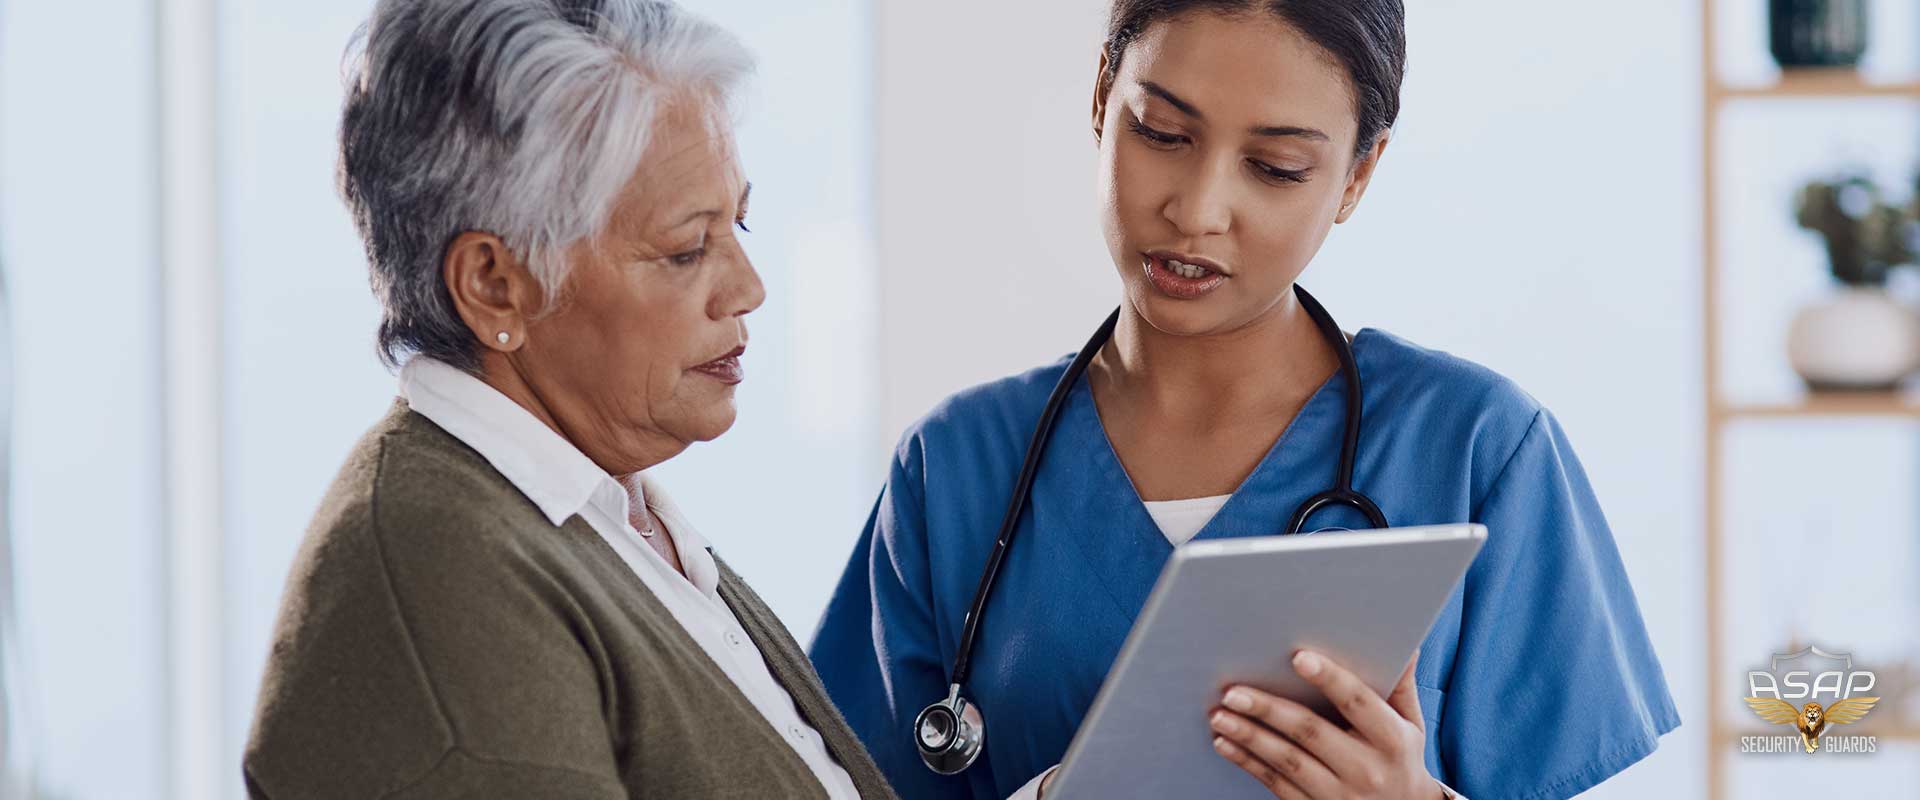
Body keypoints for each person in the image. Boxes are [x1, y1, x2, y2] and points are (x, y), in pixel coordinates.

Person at [809, 2, 1680, 798]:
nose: (1198, 210)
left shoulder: (1478, 450)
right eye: (1161, 133)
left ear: (1357, 177)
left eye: (1275, 167)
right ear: (1102, 96)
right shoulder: (954, 467)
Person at [243, 1, 902, 797]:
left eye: (740, 227)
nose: (749, 289)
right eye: (686, 249)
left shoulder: (604, 515)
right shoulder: (445, 589)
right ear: (494, 285)